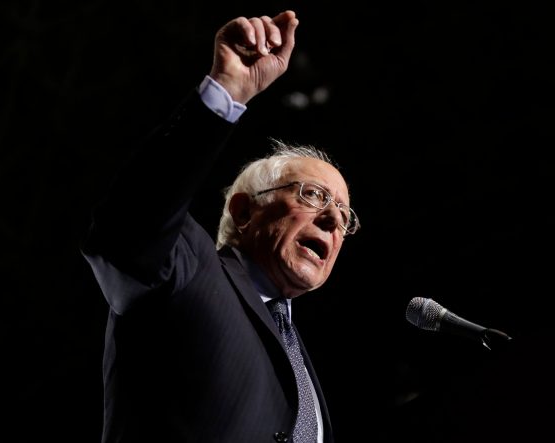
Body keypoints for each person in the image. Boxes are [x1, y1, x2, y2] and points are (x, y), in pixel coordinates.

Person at [80, 10, 359, 443]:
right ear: (246, 211)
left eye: (344, 216)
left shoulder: (301, 359)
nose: (332, 219)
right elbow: (126, 229)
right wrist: (225, 93)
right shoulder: (187, 268)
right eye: (313, 196)